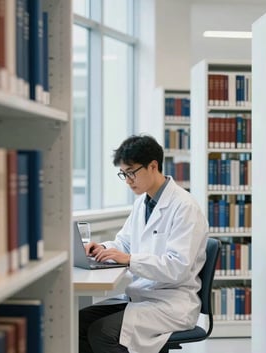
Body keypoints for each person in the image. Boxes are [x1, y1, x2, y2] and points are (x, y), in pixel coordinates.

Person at [79, 134, 208, 353]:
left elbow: (177, 267)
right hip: (143, 295)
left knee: (102, 332)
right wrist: (103, 249)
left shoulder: (185, 207)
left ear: (153, 166)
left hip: (172, 302)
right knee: (80, 321)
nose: (128, 180)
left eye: (132, 172)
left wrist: (128, 260)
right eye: (124, 174)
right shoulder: (143, 202)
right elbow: (125, 242)